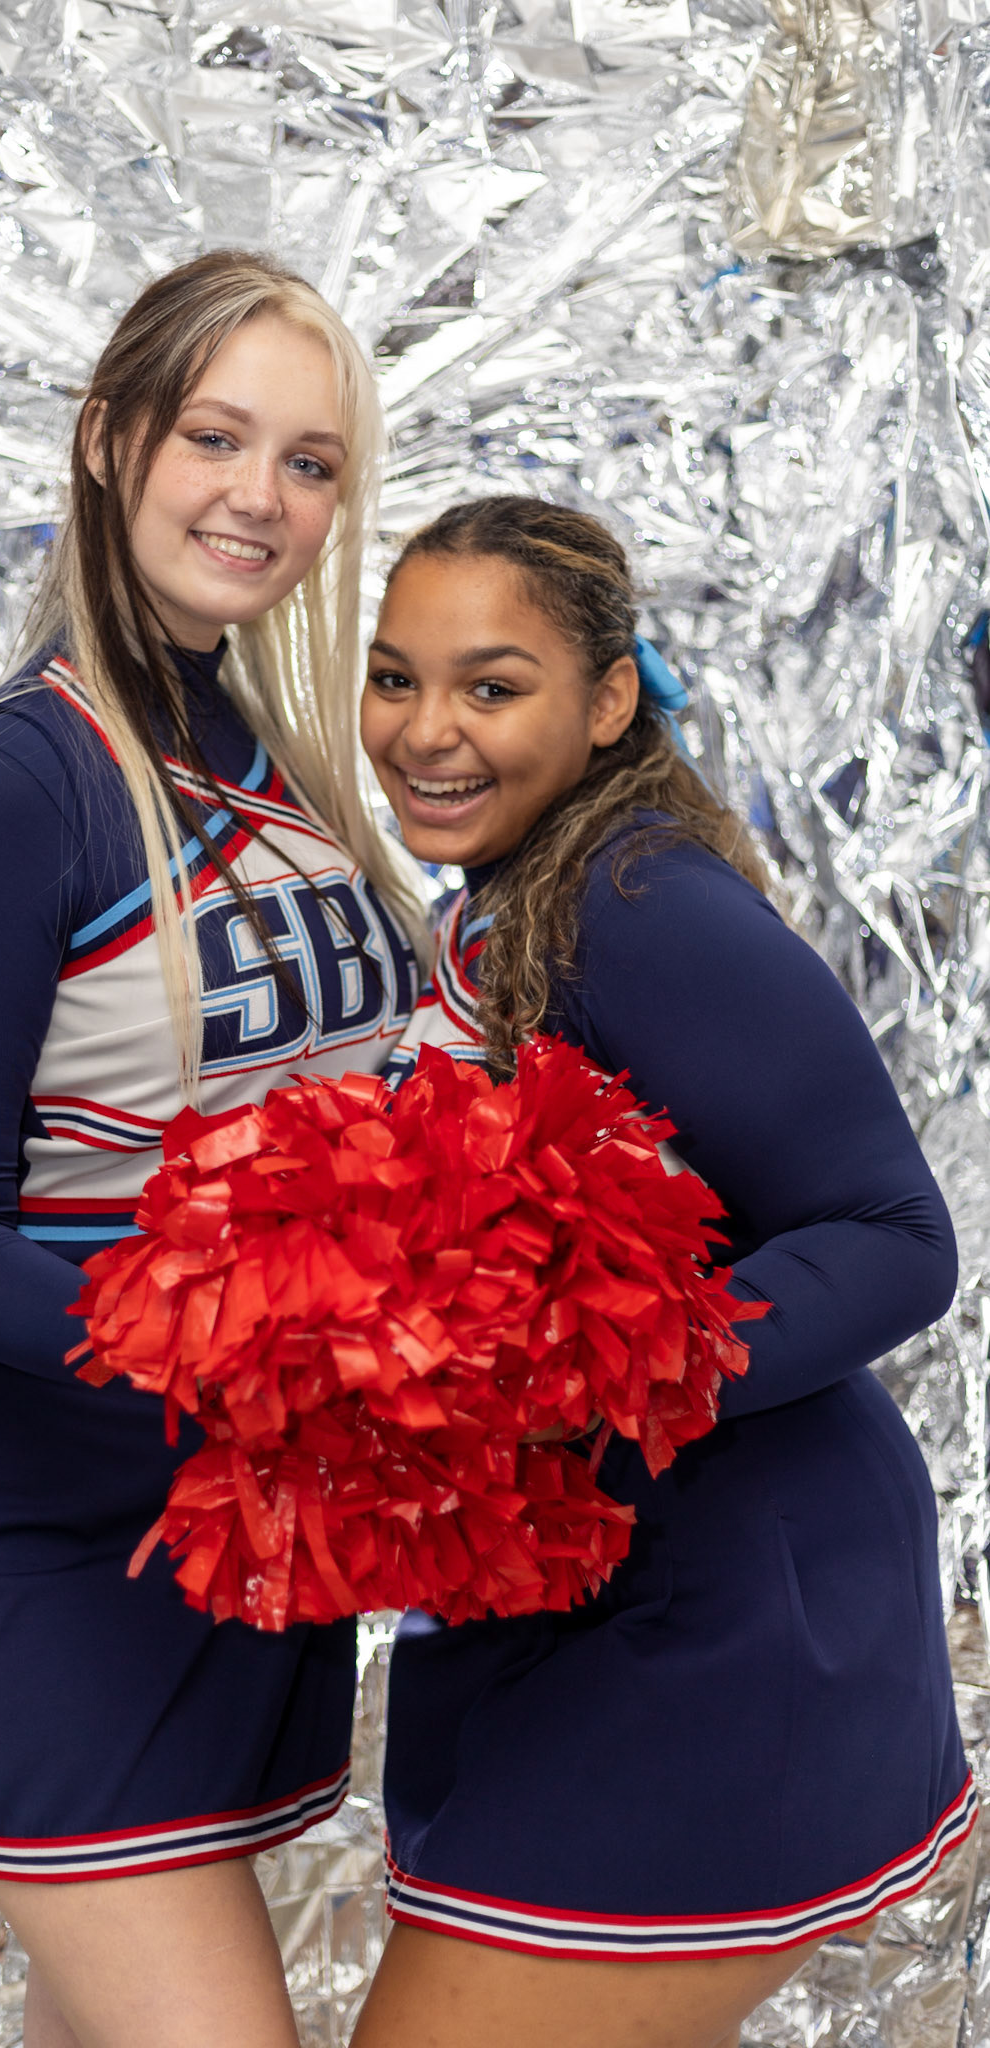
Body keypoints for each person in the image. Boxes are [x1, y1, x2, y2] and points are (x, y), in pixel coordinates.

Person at [0, 250, 426, 2048]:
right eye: (216, 436)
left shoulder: (274, 753)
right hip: (30, 1517)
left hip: (227, 1524)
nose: (260, 496)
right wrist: (241, 1347)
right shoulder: (23, 780)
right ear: (111, 439)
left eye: (309, 462)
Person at [351, 496, 972, 2048]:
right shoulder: (513, 898)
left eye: (491, 687)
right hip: (589, 1603)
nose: (428, 731)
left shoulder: (636, 907)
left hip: (718, 1623)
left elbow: (898, 1239)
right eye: (394, 677)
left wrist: (576, 1382)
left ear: (607, 700)